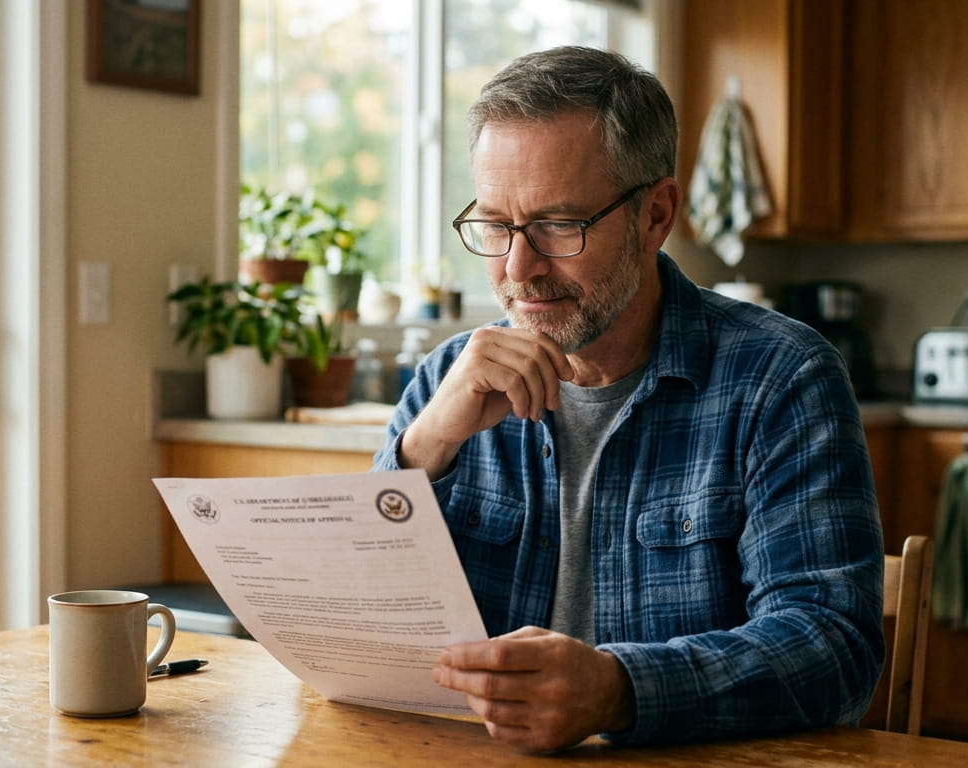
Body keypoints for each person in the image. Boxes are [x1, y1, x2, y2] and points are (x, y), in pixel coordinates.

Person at [371, 46, 884, 753]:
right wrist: (422, 449)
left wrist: (620, 689)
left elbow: (834, 649)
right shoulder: (446, 379)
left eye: (557, 224)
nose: (518, 270)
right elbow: (360, 626)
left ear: (655, 215)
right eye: (495, 226)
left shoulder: (782, 378)